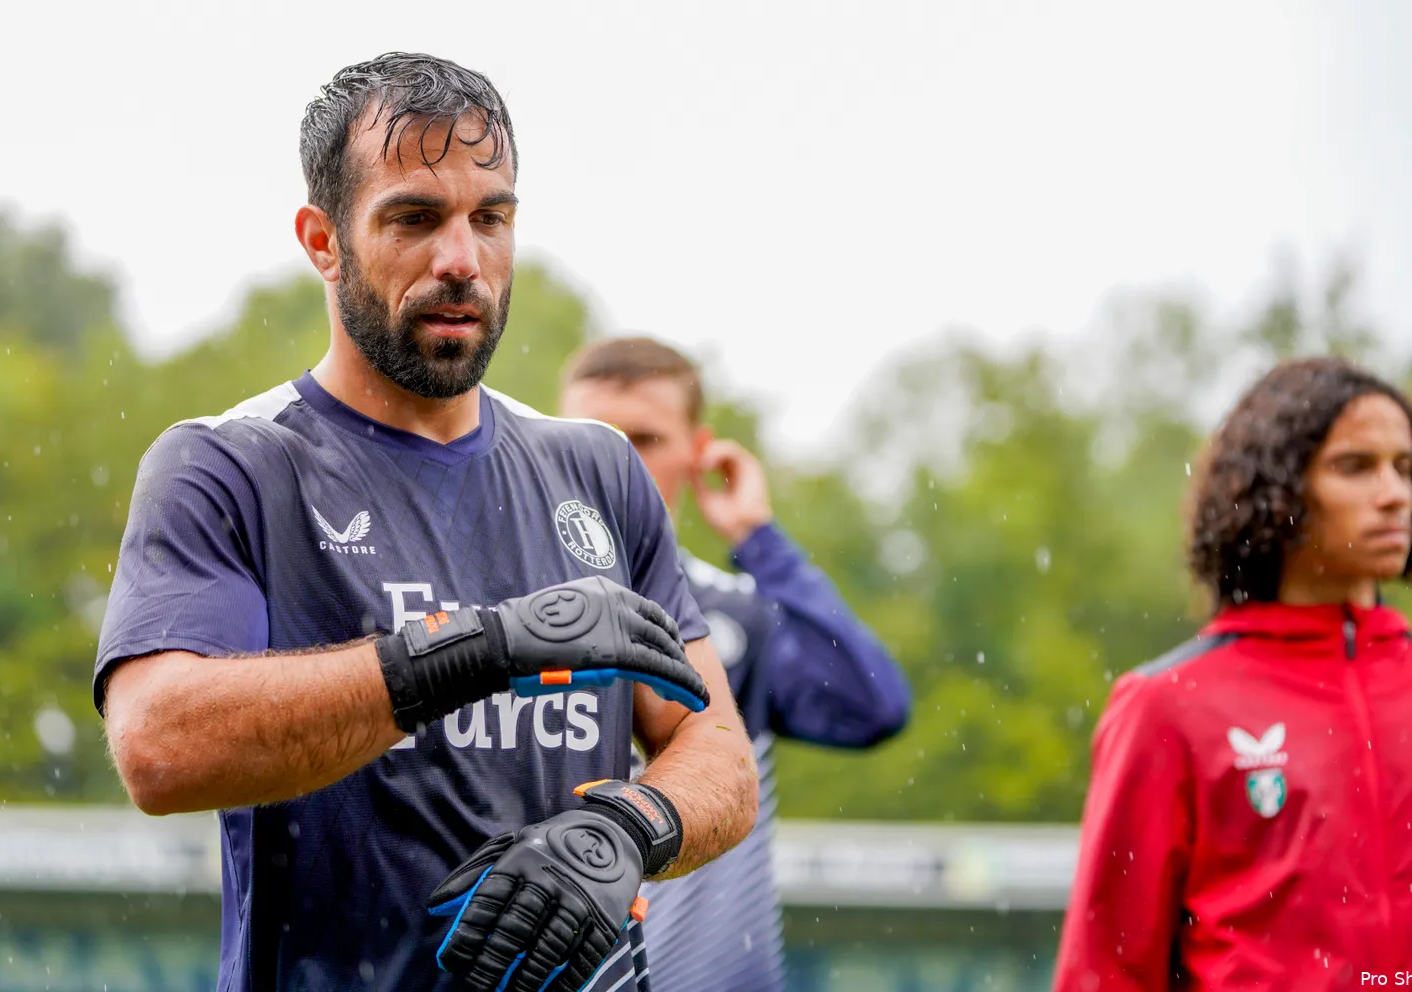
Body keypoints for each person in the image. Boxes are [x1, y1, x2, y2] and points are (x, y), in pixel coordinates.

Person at [93, 53, 757, 992]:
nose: (461, 260)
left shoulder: (598, 469)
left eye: (491, 218)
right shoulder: (231, 464)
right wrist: (474, 651)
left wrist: (628, 830)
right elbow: (159, 746)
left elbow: (720, 753)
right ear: (322, 240)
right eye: (413, 217)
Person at [1054, 356, 1412, 991]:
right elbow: (1107, 972)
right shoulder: (1168, 705)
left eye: (1404, 468)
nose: (1394, 493)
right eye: (1356, 467)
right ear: (1279, 492)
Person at [559, 337, 911, 992]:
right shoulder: (500, 608)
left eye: (645, 439)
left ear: (697, 453)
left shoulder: (737, 616)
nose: (618, 462)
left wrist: (757, 534)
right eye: (595, 436)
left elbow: (873, 706)